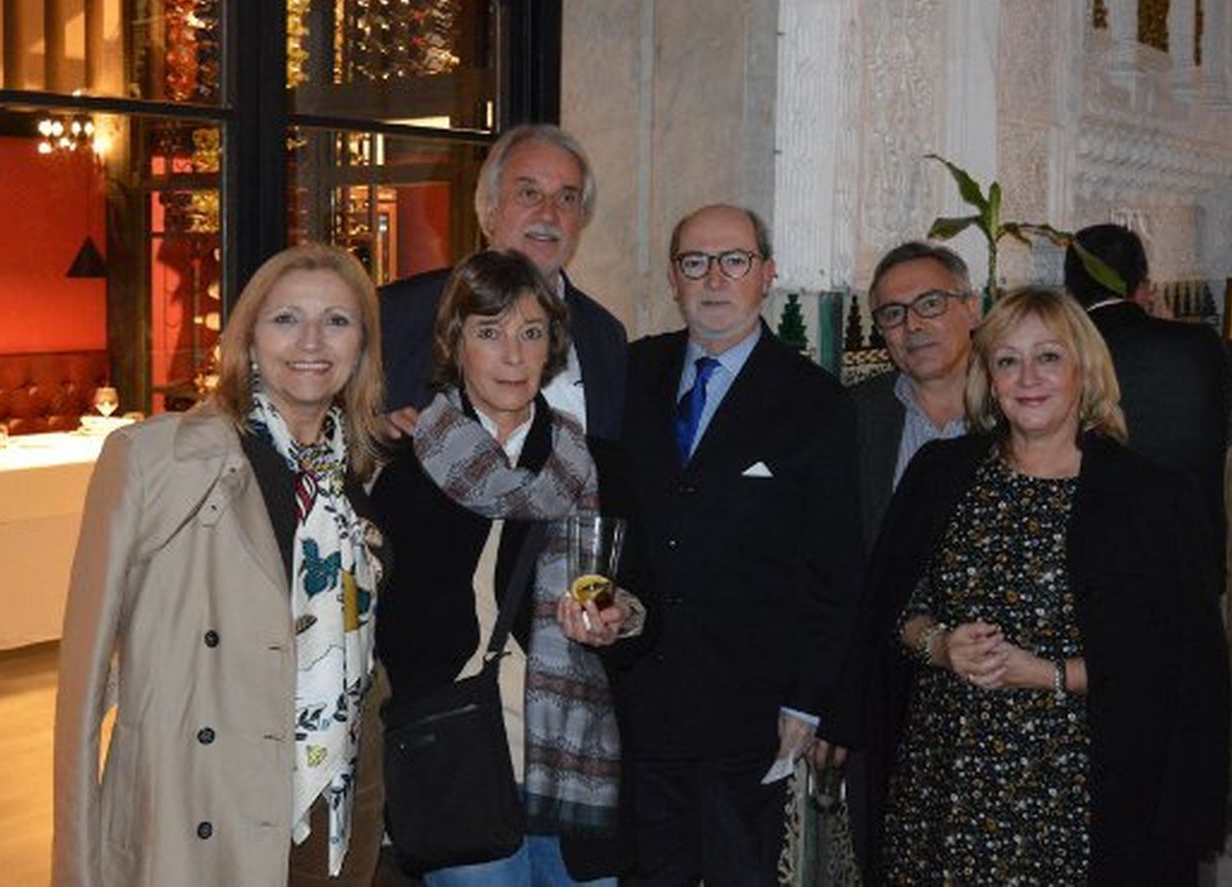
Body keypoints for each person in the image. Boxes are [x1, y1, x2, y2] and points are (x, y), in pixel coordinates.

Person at [838, 287, 1229, 883]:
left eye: (1048, 357)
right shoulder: (940, 475)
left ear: (1083, 371)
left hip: (1080, 797)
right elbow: (893, 610)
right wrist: (939, 646)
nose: (1028, 377)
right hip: (942, 787)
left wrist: (1045, 674)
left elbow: (1179, 667)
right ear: (989, 379)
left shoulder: (1152, 498)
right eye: (1007, 360)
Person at [53, 244, 391, 886]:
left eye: (337, 321)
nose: (311, 341)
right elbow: (84, 678)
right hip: (211, 800)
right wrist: (78, 866)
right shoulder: (155, 461)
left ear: (363, 346)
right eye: (286, 319)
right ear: (248, 337)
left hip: (337, 797)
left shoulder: (359, 469)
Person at [371, 249, 640, 885]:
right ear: (454, 344)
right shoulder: (407, 475)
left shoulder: (597, 465)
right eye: (489, 333)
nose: (513, 356)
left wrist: (620, 619)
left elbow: (641, 604)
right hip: (460, 766)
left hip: (576, 771)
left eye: (531, 332)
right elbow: (389, 634)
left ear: (554, 346)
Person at [614, 204, 863, 884]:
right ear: (674, 277)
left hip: (748, 712)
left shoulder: (815, 402)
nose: (714, 277)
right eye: (695, 261)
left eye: (735, 260)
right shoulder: (632, 373)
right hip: (638, 699)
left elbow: (834, 569)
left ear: (767, 274)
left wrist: (807, 701)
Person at [380, 124, 628, 439]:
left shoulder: (605, 337)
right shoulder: (396, 315)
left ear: (582, 218)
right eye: (529, 193)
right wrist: (371, 438)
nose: (549, 215)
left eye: (567, 198)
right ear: (491, 206)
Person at [1064, 223, 1231, 594]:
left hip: (1098, 563)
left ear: (1070, 290)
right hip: (1191, 555)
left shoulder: (1062, 352)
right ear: (1143, 284)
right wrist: (1167, 326)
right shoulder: (1202, 345)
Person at [852, 241, 980, 549]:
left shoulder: (1020, 408)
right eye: (893, 313)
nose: (912, 325)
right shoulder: (853, 415)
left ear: (973, 310)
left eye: (931, 304)